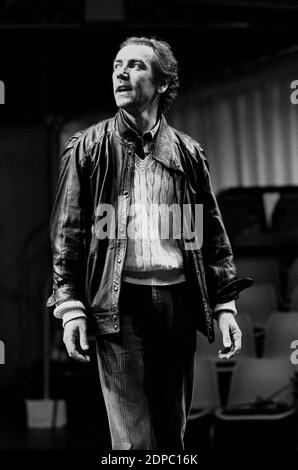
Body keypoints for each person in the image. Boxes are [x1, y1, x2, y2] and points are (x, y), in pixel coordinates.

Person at [47, 36, 252, 450]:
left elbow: (211, 234)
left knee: (171, 436)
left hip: (177, 302)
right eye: (117, 65)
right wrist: (70, 308)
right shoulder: (86, 148)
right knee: (133, 443)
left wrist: (225, 304)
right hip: (117, 304)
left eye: (136, 66)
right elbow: (68, 234)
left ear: (162, 84)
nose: (121, 72)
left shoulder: (189, 154)